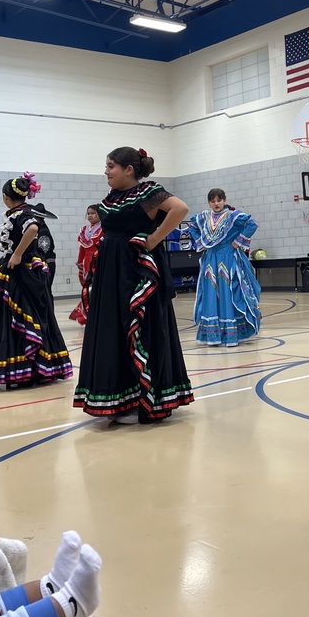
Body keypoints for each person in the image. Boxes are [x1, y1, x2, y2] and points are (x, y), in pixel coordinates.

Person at [73, 147, 194, 425]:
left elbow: (180, 208)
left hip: (136, 270)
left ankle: (145, 398)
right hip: (111, 271)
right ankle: (121, 397)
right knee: (113, 329)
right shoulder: (113, 197)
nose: (106, 171)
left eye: (111, 166)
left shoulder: (148, 192)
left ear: (129, 170)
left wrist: (153, 239)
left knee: (142, 328)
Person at [0, 173, 73, 390]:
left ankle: (29, 371)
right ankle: (5, 371)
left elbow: (33, 229)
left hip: (23, 273)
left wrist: (17, 254)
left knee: (23, 316)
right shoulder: (17, 213)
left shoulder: (24, 213)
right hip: (15, 272)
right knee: (7, 318)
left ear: (5, 197)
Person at [189, 188, 262, 346]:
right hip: (210, 260)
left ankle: (232, 333)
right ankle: (213, 335)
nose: (216, 203)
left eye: (219, 200)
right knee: (211, 293)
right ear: (209, 202)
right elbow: (192, 227)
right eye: (213, 201)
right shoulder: (203, 217)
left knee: (229, 292)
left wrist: (238, 241)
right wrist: (201, 242)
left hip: (229, 259)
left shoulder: (233, 216)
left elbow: (252, 224)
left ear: (224, 200)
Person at [68, 204, 104, 325]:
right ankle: (88, 315)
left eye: (93, 213)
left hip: (99, 261)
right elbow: (82, 249)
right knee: (88, 289)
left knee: (97, 289)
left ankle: (95, 315)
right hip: (87, 263)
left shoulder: (104, 229)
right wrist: (79, 261)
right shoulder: (84, 230)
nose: (90, 216)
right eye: (88, 213)